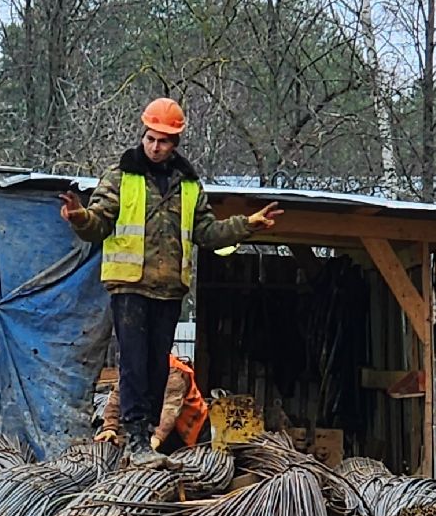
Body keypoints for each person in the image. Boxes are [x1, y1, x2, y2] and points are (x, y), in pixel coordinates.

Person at [62, 98, 278, 466]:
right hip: (129, 285)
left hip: (169, 287)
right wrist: (81, 217)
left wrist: (247, 225)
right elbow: (98, 224)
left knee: (158, 367)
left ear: (175, 142)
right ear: (143, 136)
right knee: (133, 363)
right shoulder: (120, 176)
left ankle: (146, 434)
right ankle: (135, 436)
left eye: (163, 140)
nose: (155, 146)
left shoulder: (189, 185)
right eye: (150, 138)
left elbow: (207, 232)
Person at [98, 353, 210, 452]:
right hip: (159, 420)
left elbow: (170, 410)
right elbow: (118, 395)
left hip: (189, 425)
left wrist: (156, 439)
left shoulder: (174, 373)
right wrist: (110, 427)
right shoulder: (134, 368)